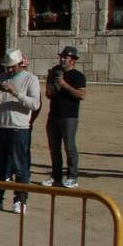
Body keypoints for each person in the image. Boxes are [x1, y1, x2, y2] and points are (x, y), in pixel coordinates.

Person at [0, 49, 40, 213]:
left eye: (12, 66)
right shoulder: (0, 78)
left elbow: (35, 104)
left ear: (20, 64)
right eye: (7, 67)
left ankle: (20, 200)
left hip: (19, 128)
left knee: (20, 167)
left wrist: (15, 92)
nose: (9, 70)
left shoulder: (30, 79)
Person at [43, 45, 86, 188]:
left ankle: (73, 176)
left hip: (69, 117)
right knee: (54, 148)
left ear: (73, 60)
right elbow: (49, 94)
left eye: (65, 57)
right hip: (54, 115)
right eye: (61, 56)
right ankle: (56, 176)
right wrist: (52, 86)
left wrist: (64, 84)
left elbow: (81, 95)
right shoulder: (55, 72)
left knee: (69, 147)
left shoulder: (78, 76)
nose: (62, 59)